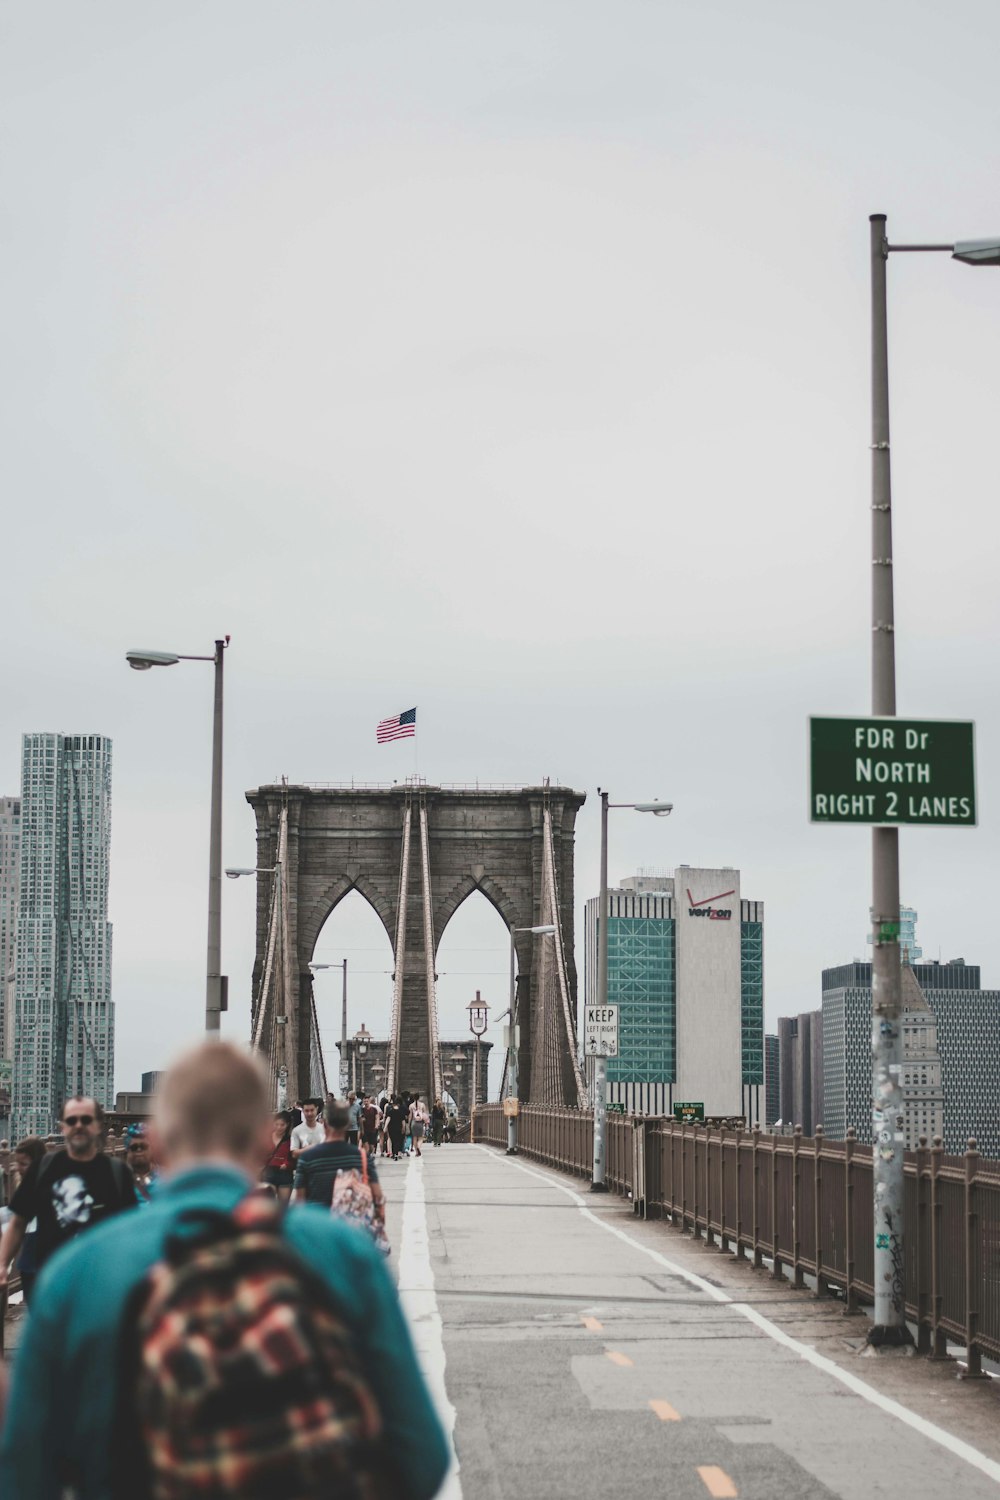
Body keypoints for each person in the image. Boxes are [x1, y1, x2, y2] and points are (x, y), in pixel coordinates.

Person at [0, 1042, 450, 1500]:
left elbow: (26, 1478)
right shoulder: (342, 1255)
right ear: (263, 1139)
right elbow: (422, 1459)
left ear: (156, 1141)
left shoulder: (76, 1276)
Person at [0, 1097, 137, 1291]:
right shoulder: (42, 1168)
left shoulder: (117, 1173)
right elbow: (18, 1223)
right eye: (72, 1120)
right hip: (49, 1286)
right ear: (62, 1127)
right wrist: (3, 1264)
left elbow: (131, 1229)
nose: (79, 1125)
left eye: (86, 1120)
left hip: (100, 1287)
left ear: (98, 1126)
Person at [292, 1098, 385, 1222]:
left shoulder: (307, 1157)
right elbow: (378, 1196)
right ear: (347, 1124)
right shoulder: (362, 1157)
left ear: (324, 1123)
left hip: (318, 1224)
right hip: (351, 1226)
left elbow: (299, 1200)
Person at [7, 1137, 46, 1303]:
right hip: (30, 1258)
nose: (18, 1169)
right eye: (17, 1164)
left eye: (23, 1164)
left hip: (41, 1258)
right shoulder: (28, 1185)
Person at [261, 1109, 295, 1200]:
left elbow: (294, 1156)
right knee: (267, 1204)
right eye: (277, 1124)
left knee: (283, 1206)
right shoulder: (266, 1137)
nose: (279, 1127)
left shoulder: (291, 1139)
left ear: (287, 1125)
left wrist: (288, 1164)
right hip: (269, 1171)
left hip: (285, 1173)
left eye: (282, 1125)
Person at [124, 1129, 158, 1205]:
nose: (139, 1150)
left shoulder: (168, 1178)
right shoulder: (119, 1181)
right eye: (134, 1147)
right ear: (127, 1151)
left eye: (143, 1146)